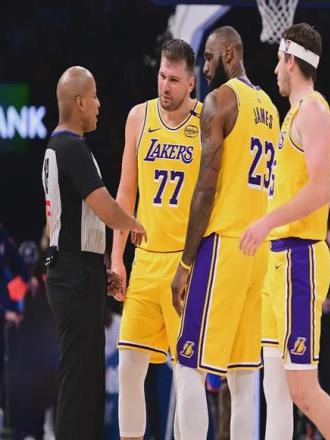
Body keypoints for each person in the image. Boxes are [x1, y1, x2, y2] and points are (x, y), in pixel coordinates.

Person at [241, 23, 330, 439]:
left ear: (291, 60)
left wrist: (266, 221)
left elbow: (320, 191)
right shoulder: (292, 114)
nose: (275, 70)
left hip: (300, 259)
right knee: (275, 389)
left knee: (304, 392)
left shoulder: (314, 111)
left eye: (278, 61)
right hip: (278, 261)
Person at [171, 26, 280, 440]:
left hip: (226, 246)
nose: (204, 67)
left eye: (209, 57)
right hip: (259, 253)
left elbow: (205, 187)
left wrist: (186, 262)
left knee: (188, 364)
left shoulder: (220, 102)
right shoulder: (269, 107)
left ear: (229, 53)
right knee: (244, 377)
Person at [41, 66, 145, 440]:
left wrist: (100, 272)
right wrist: (136, 224)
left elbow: (75, 220)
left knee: (86, 379)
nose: (100, 104)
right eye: (95, 96)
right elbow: (105, 207)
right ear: (80, 102)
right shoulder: (71, 147)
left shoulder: (58, 146)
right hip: (73, 272)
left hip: (77, 269)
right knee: (78, 382)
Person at [110, 38, 202, 440]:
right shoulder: (139, 116)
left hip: (187, 265)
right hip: (145, 260)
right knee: (129, 367)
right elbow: (125, 191)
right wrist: (117, 258)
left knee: (187, 374)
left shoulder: (206, 120)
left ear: (191, 83)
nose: (165, 86)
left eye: (174, 80)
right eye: (162, 76)